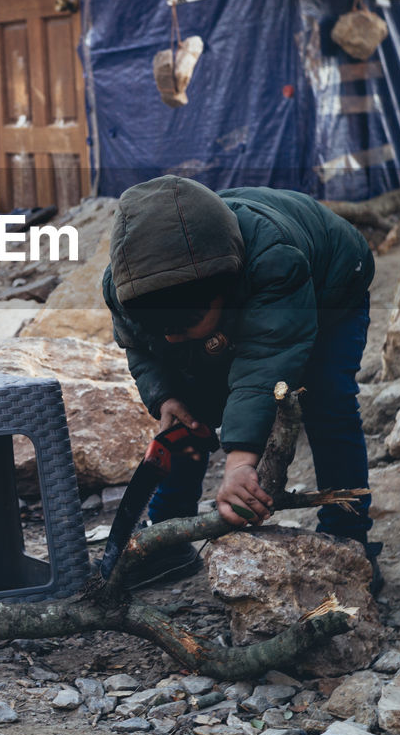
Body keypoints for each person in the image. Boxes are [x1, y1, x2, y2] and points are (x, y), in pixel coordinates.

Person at [102, 174, 381, 590]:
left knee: (327, 402)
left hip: (330, 285)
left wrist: (240, 463)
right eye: (161, 327)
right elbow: (141, 347)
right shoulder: (128, 287)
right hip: (237, 293)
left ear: (227, 288)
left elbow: (265, 359)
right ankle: (168, 536)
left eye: (187, 322)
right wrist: (168, 397)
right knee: (186, 417)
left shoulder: (273, 261)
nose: (172, 338)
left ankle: (348, 542)